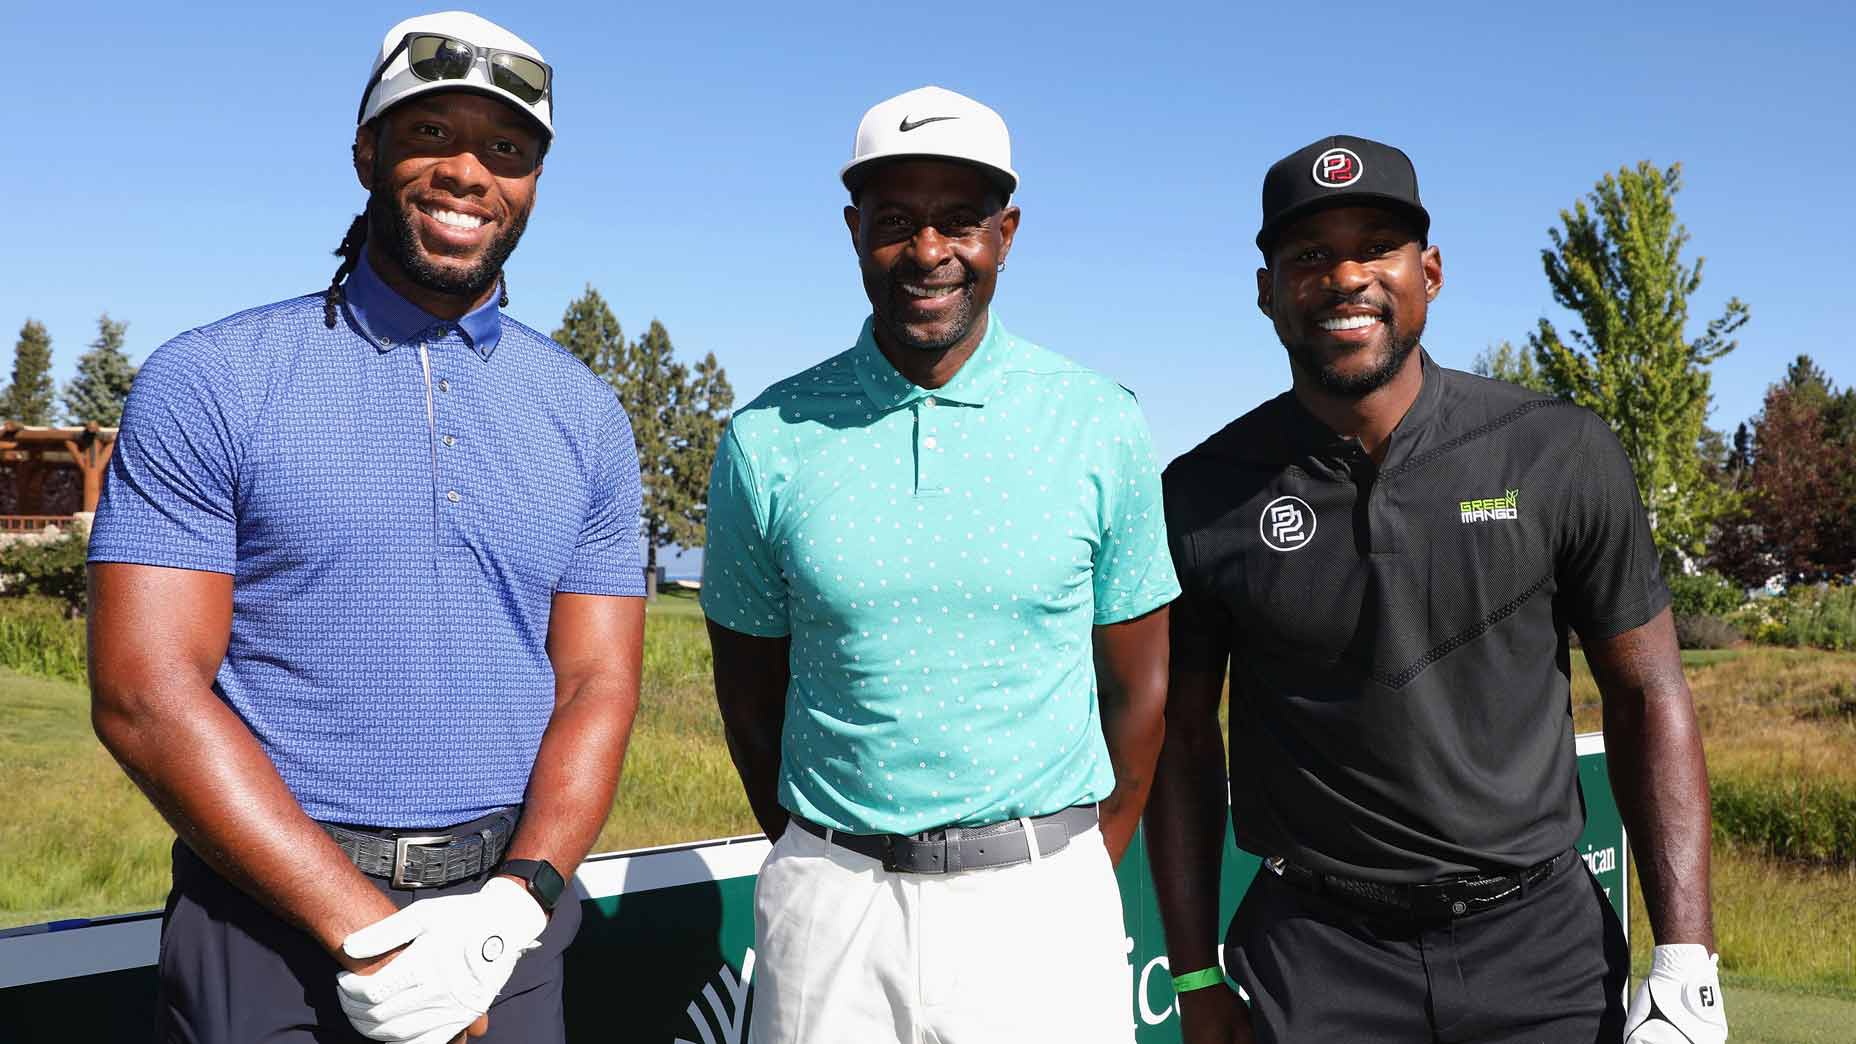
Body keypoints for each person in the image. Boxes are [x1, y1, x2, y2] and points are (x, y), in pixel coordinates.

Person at [86, 12, 646, 1044]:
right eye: (431, 134)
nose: (470, 173)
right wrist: (366, 933)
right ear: (366, 152)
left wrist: (518, 900)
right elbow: (143, 694)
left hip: (498, 934)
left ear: (530, 184)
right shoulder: (212, 379)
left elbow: (596, 682)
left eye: (507, 151)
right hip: (260, 927)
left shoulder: (585, 413)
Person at [1147, 134, 1727, 1044]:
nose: (1346, 277)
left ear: (1432, 271)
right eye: (1308, 256)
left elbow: (1649, 691)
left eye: (1376, 245)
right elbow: (1181, 743)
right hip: (1311, 959)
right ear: (1266, 292)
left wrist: (1686, 960)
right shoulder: (1201, 491)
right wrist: (1191, 976)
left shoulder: (1558, 450)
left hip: (1542, 952)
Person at [699, 85, 1180, 1044]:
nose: (928, 254)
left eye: (959, 221)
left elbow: (1140, 695)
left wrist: (1064, 867)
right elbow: (750, 702)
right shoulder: (766, 438)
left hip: (1043, 907)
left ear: (1005, 233)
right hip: (831, 909)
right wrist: (840, 860)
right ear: (853, 232)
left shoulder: (1098, 422)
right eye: (895, 223)